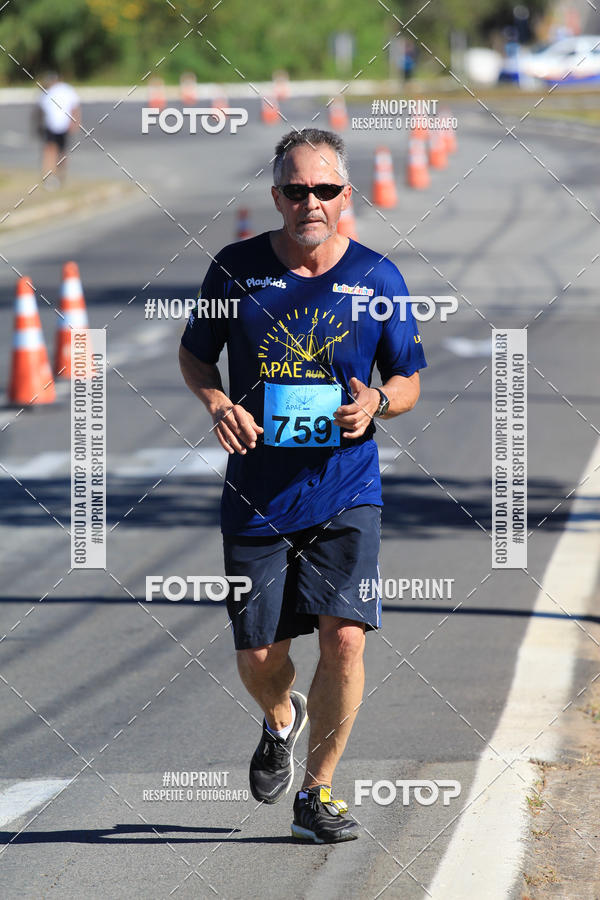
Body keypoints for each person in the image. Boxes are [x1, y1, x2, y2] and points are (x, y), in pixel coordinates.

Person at [179, 128, 426, 843]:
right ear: (277, 197)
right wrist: (219, 404)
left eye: (324, 190)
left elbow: (408, 377)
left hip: (347, 487)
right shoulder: (236, 269)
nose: (309, 202)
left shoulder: (378, 279)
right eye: (295, 190)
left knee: (346, 639)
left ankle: (317, 795)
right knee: (260, 656)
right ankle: (282, 717)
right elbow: (197, 358)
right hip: (257, 491)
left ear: (346, 196)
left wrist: (378, 402)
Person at [34, 72, 81, 188]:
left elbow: (74, 107)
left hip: (59, 125)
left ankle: (56, 176)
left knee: (55, 151)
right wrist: (75, 122)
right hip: (55, 125)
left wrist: (74, 122)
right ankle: (53, 176)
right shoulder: (55, 91)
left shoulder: (55, 91)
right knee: (54, 151)